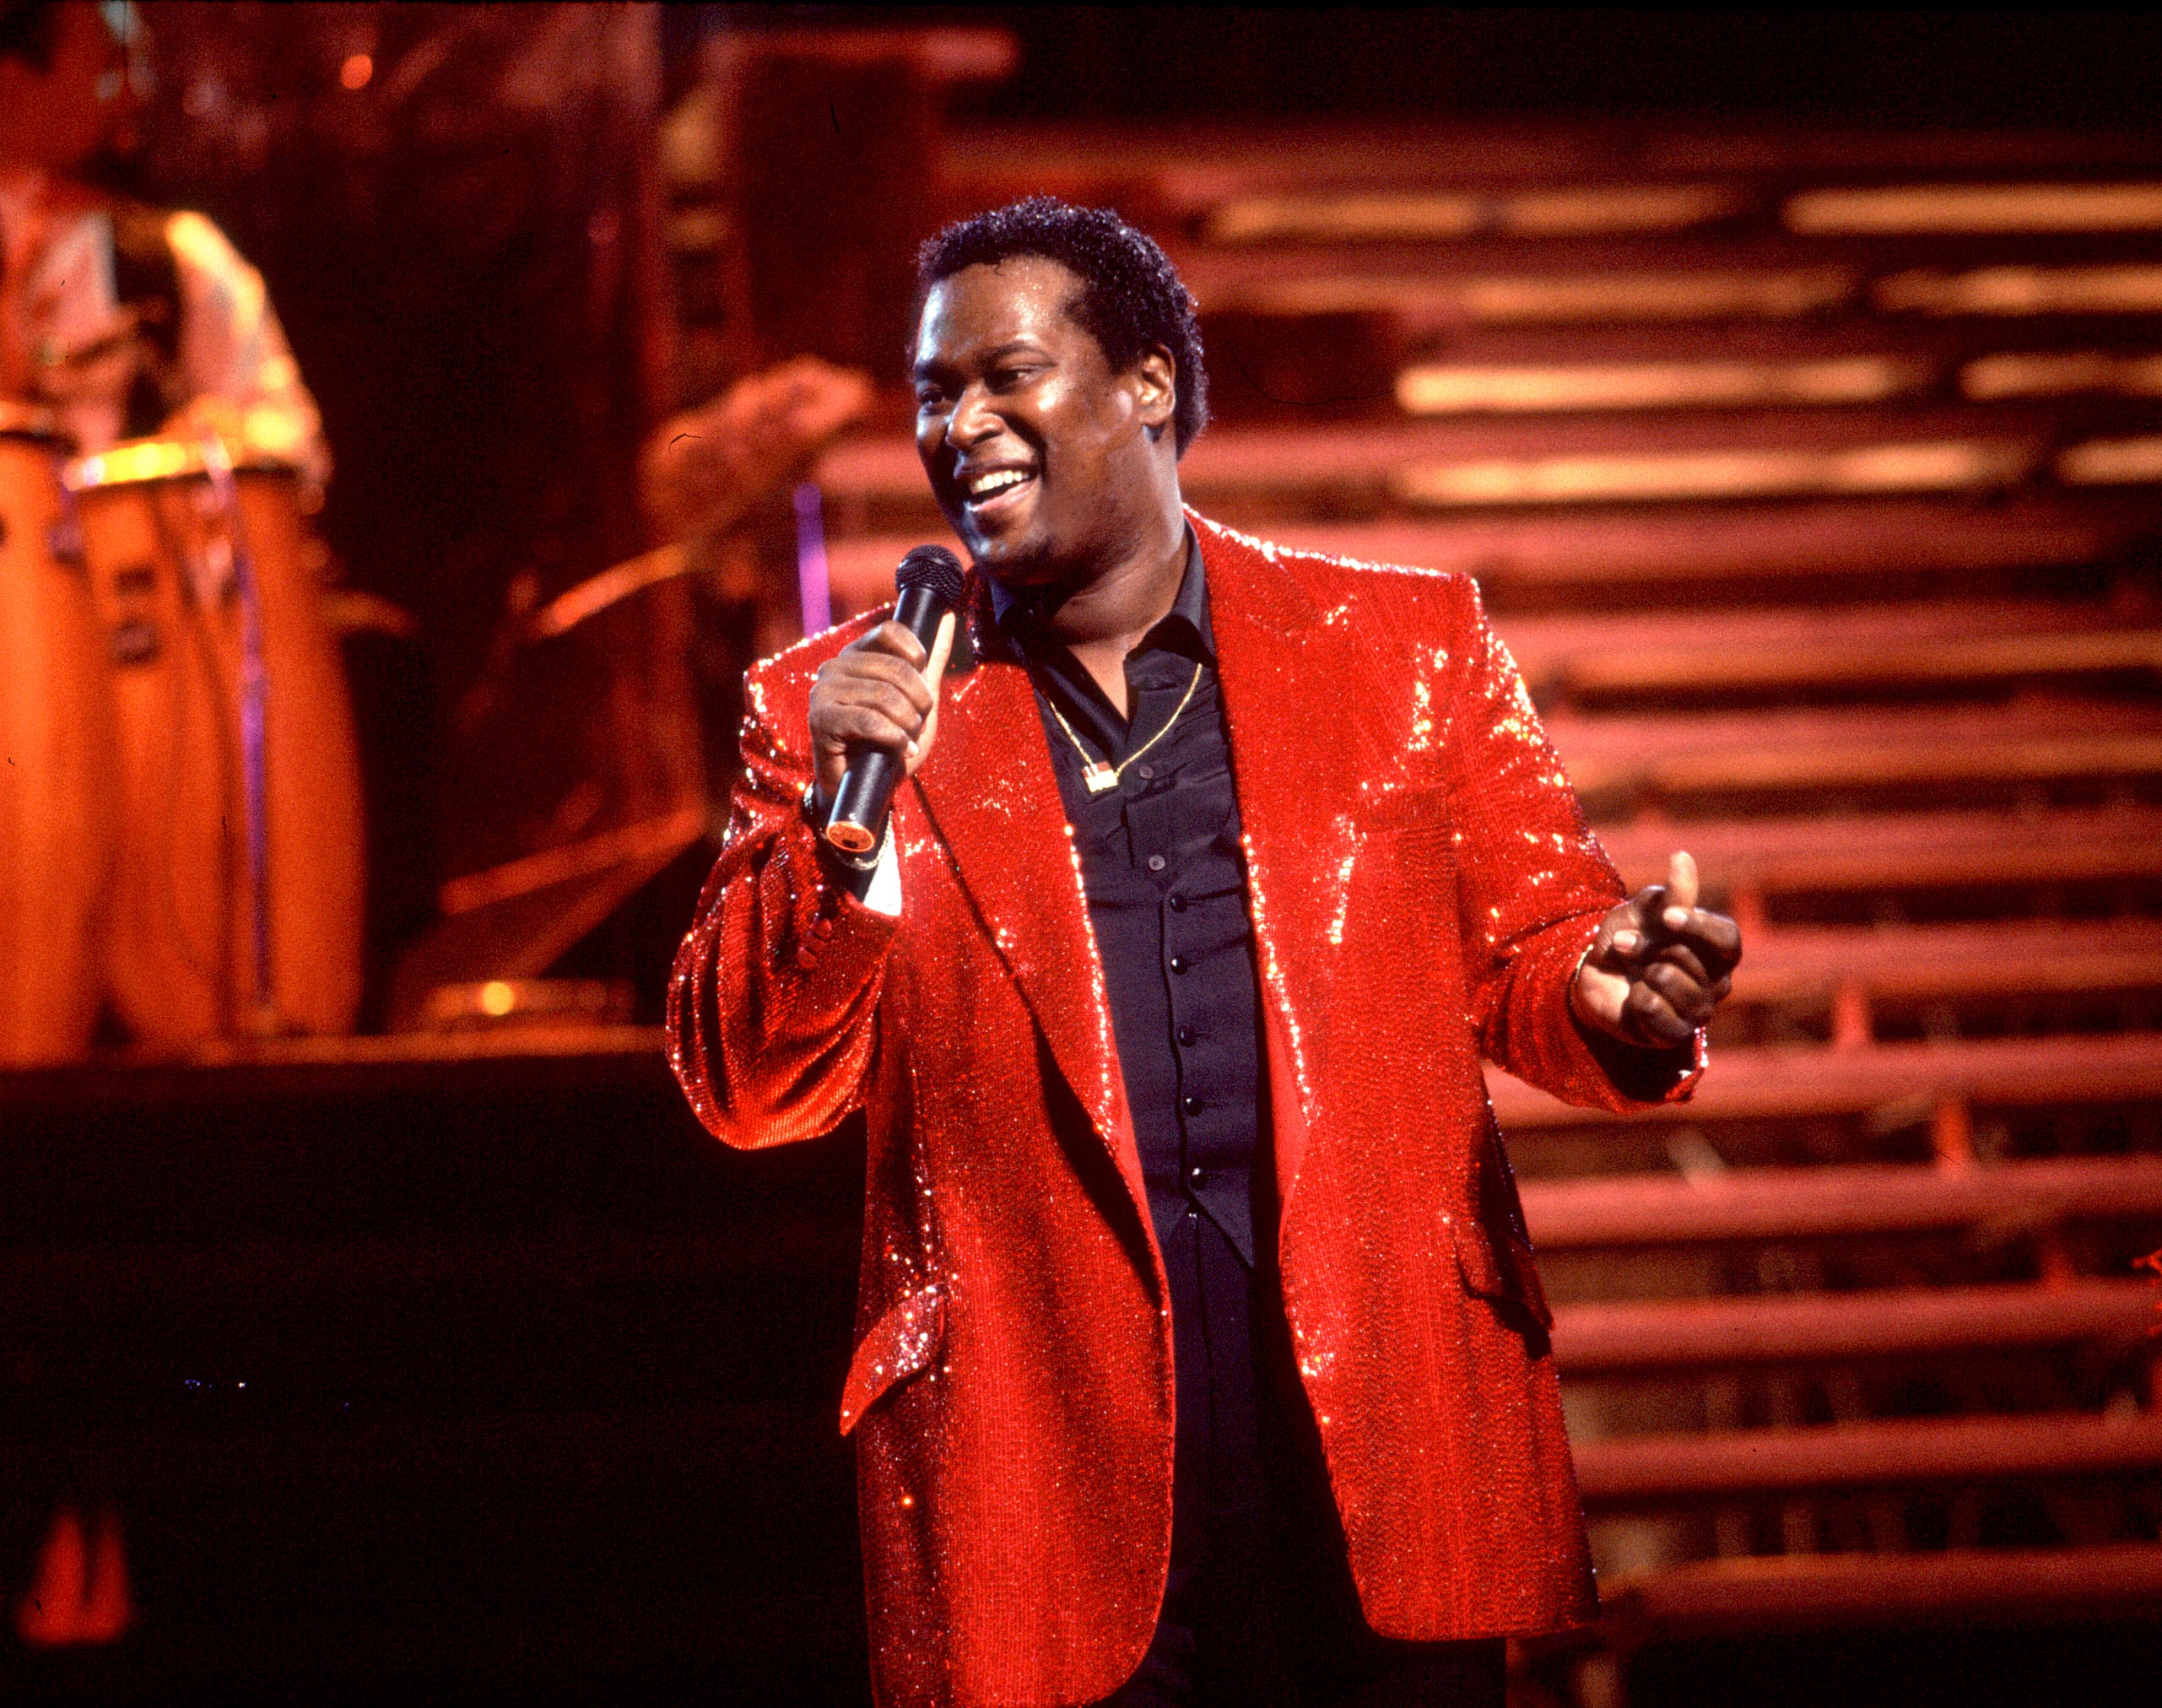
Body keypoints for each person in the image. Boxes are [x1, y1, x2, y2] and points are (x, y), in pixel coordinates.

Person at [669, 198, 1741, 1708]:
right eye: (932, 393)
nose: (959, 423)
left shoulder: (1399, 648)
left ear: (1147, 385)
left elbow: (1538, 943)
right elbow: (747, 1081)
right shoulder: (839, 708)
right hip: (1033, 1449)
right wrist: (843, 837)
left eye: (1006, 376)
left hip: (1371, 1409)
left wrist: (1607, 993)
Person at [0, 0, 327, 489]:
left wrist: (229, 443)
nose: (138, 93)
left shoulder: (183, 254)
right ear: (13, 89)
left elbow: (300, 449)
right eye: (113, 69)